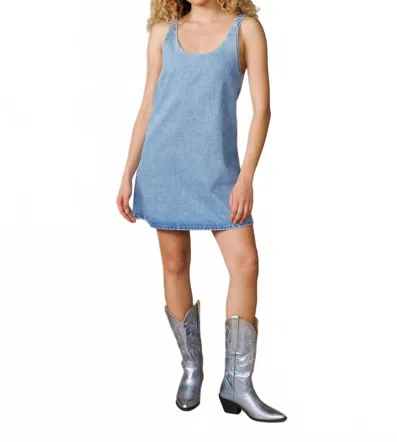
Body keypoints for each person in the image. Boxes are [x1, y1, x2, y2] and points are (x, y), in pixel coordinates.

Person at [116, 0, 286, 423]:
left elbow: (262, 110)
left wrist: (246, 177)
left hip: (220, 174)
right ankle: (191, 367)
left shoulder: (246, 30)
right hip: (164, 166)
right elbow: (148, 105)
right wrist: (127, 173)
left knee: (245, 264)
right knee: (175, 265)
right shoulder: (163, 33)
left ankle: (238, 383)